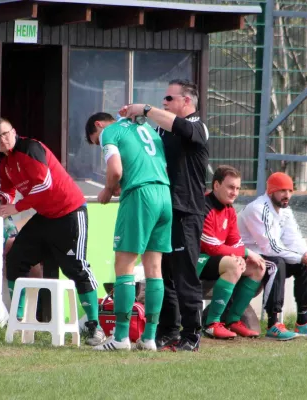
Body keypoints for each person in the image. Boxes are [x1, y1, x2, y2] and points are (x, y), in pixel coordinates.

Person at [0, 118, 105, 346]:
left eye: (5, 134)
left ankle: (95, 327)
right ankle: (17, 318)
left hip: (70, 211)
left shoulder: (30, 148)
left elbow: (45, 185)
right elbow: (8, 188)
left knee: (76, 267)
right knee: (16, 257)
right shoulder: (4, 162)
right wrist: (2, 200)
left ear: (14, 131)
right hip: (45, 216)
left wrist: (16, 207)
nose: (3, 140)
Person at [120, 79, 209, 351]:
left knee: (184, 274)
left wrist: (143, 109)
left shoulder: (197, 126)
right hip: (162, 209)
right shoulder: (162, 128)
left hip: (187, 211)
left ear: (187, 102)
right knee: (161, 273)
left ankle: (192, 333)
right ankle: (168, 330)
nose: (164, 103)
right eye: (163, 99)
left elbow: (179, 126)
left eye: (169, 99)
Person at [84, 112, 172, 351]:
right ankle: (149, 338)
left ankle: (121, 337)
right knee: (154, 268)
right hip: (164, 194)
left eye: (95, 140)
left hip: (140, 195)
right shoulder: (145, 128)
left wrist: (107, 189)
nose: (99, 143)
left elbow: (115, 170)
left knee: (124, 265)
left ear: (99, 125)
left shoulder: (110, 132)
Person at [237, 172, 307, 340]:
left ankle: (303, 321)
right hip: (246, 258)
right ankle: (273, 324)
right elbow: (270, 247)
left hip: (265, 256)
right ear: (271, 191)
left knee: (303, 265)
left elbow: (294, 238)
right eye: (282, 191)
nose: (287, 195)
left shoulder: (285, 210)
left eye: (290, 191)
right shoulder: (259, 208)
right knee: (277, 263)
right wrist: (301, 257)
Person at [198, 166, 266, 339]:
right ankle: (212, 324)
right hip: (197, 260)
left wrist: (243, 255)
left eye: (237, 188)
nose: (234, 192)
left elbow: (235, 241)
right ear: (216, 185)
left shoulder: (229, 210)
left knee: (258, 267)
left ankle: (233, 320)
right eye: (230, 187)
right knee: (234, 265)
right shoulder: (203, 207)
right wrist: (244, 253)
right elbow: (210, 246)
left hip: (217, 259)